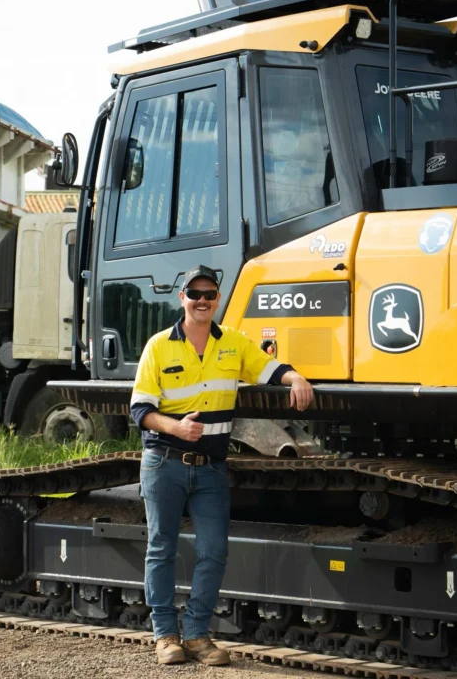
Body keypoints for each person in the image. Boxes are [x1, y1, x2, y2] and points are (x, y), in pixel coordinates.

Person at [130, 265, 314, 666]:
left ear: (217, 300)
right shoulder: (158, 347)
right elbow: (140, 410)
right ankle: (165, 636)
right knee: (161, 548)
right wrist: (175, 427)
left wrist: (296, 378)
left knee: (214, 551)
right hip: (164, 461)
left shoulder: (233, 343)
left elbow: (270, 369)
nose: (201, 300)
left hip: (211, 467)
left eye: (209, 294)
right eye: (194, 293)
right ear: (182, 298)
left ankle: (196, 634)